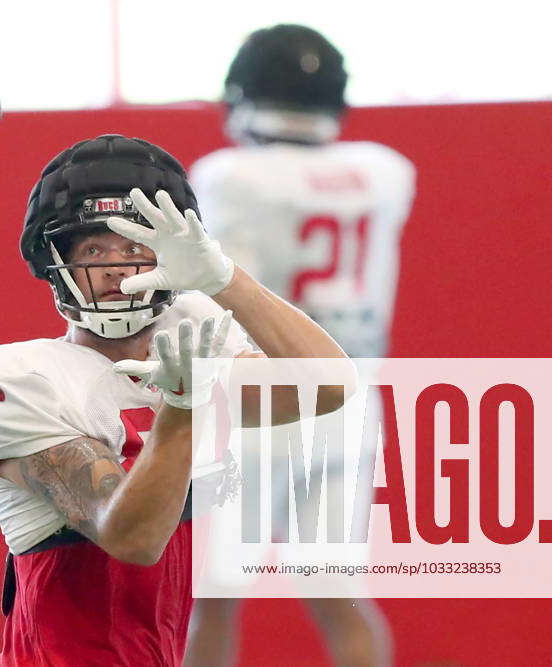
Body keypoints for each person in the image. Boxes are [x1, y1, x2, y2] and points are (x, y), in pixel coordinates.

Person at [0, 134, 348, 666]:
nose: (116, 267)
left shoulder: (191, 334)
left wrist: (223, 278)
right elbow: (130, 537)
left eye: (135, 247)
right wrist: (183, 409)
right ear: (53, 261)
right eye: (93, 249)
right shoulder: (20, 377)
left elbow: (326, 388)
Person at [185, 24, 417, 667]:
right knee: (339, 596)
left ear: (244, 96)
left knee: (210, 597)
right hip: (348, 405)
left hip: (254, 410)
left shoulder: (230, 177)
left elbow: (218, 291)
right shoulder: (386, 173)